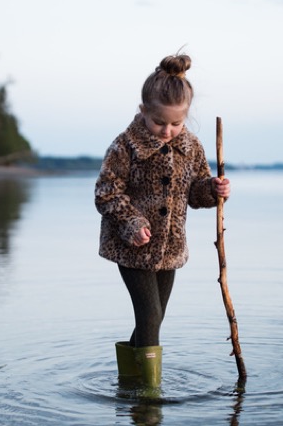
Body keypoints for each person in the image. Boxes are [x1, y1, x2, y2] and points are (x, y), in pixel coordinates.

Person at [95, 53, 230, 387]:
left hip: (169, 250)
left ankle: (129, 381)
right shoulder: (124, 146)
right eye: (159, 123)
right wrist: (132, 223)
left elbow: (196, 194)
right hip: (131, 248)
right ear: (143, 112)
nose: (167, 131)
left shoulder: (192, 147)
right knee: (150, 315)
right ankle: (151, 396)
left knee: (153, 318)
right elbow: (106, 192)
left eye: (176, 124)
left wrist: (214, 190)